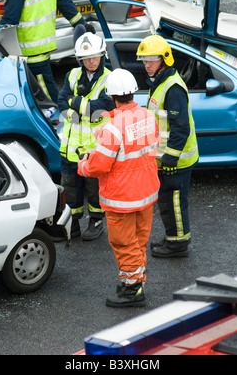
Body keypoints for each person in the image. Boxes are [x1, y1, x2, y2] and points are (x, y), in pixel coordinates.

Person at [78, 69, 160, 307]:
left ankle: (133, 290)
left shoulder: (112, 128)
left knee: (125, 244)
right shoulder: (148, 116)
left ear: (112, 97)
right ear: (133, 92)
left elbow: (99, 166)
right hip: (146, 193)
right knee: (138, 241)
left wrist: (83, 164)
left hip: (122, 198)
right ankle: (132, 280)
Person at [136, 34, 199, 258]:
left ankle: (178, 244)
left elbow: (180, 128)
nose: (147, 64)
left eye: (152, 59)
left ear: (165, 59)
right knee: (167, 200)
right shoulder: (159, 82)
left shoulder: (172, 88)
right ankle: (172, 235)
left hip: (177, 160)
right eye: (144, 60)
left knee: (174, 200)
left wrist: (171, 158)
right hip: (165, 158)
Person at [58, 32, 115, 241]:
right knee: (70, 188)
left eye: (95, 56)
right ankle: (72, 225)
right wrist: (80, 110)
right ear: (80, 58)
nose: (91, 61)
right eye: (86, 57)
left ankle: (96, 221)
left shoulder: (109, 78)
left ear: (102, 55)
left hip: (95, 147)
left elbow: (104, 107)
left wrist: (76, 104)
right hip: (71, 147)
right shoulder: (72, 75)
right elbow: (61, 102)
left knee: (95, 189)